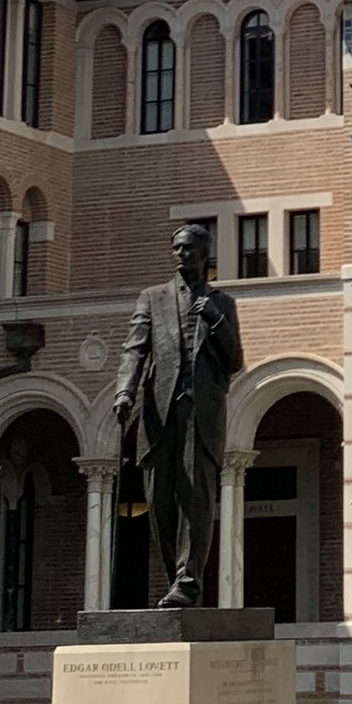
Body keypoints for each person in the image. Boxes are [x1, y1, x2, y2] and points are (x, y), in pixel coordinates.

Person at [113, 219, 244, 608]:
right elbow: (134, 349)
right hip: (159, 411)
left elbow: (235, 360)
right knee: (160, 502)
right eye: (176, 248)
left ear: (205, 255)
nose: (180, 254)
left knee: (196, 501)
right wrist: (125, 391)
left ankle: (188, 583)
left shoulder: (222, 304)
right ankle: (177, 580)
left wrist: (215, 321)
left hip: (200, 414)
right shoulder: (152, 298)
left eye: (188, 248)